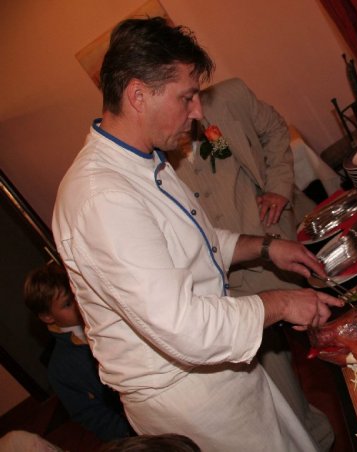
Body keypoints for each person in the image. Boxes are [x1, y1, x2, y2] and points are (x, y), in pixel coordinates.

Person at [52, 16, 342, 451]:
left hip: (217, 365)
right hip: (189, 393)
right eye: (186, 97)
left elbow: (201, 244)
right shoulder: (102, 198)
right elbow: (184, 327)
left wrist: (267, 248)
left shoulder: (145, 160)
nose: (198, 111)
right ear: (138, 95)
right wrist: (282, 302)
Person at [168, 79, 334, 448]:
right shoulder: (147, 152)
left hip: (277, 244)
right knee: (272, 376)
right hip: (227, 279)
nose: (194, 107)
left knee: (330, 324)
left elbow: (275, 130)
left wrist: (277, 186)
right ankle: (315, 439)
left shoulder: (229, 97)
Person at [23, 262, 132, 442]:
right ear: (48, 317)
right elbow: (90, 415)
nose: (78, 304)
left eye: (77, 294)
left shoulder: (106, 318)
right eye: (67, 303)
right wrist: (128, 433)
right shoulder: (60, 369)